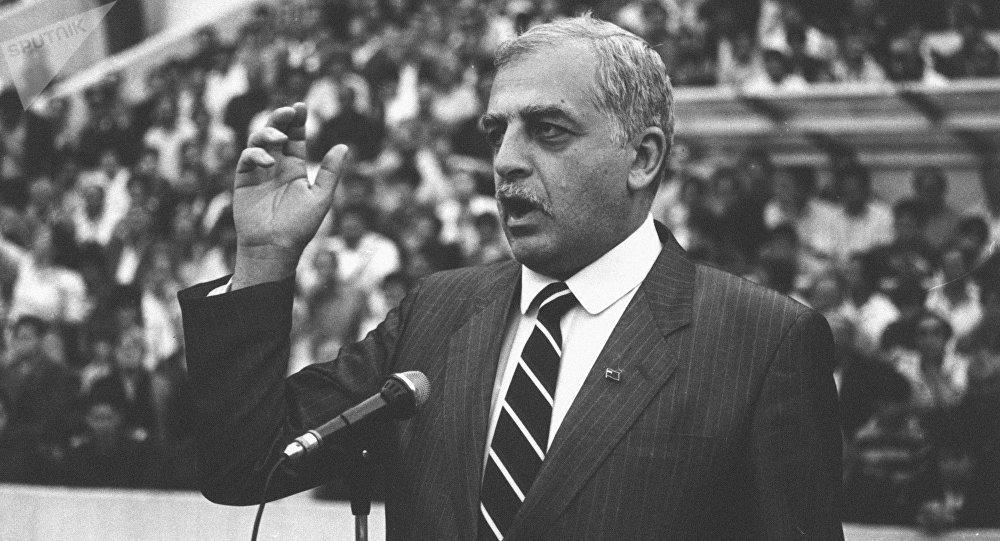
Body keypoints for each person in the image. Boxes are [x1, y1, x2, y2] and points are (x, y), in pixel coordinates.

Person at [179, 15, 842, 539]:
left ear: (642, 158)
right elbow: (247, 464)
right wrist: (264, 256)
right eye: (497, 132)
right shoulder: (438, 309)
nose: (505, 162)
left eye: (548, 131)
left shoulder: (763, 342)